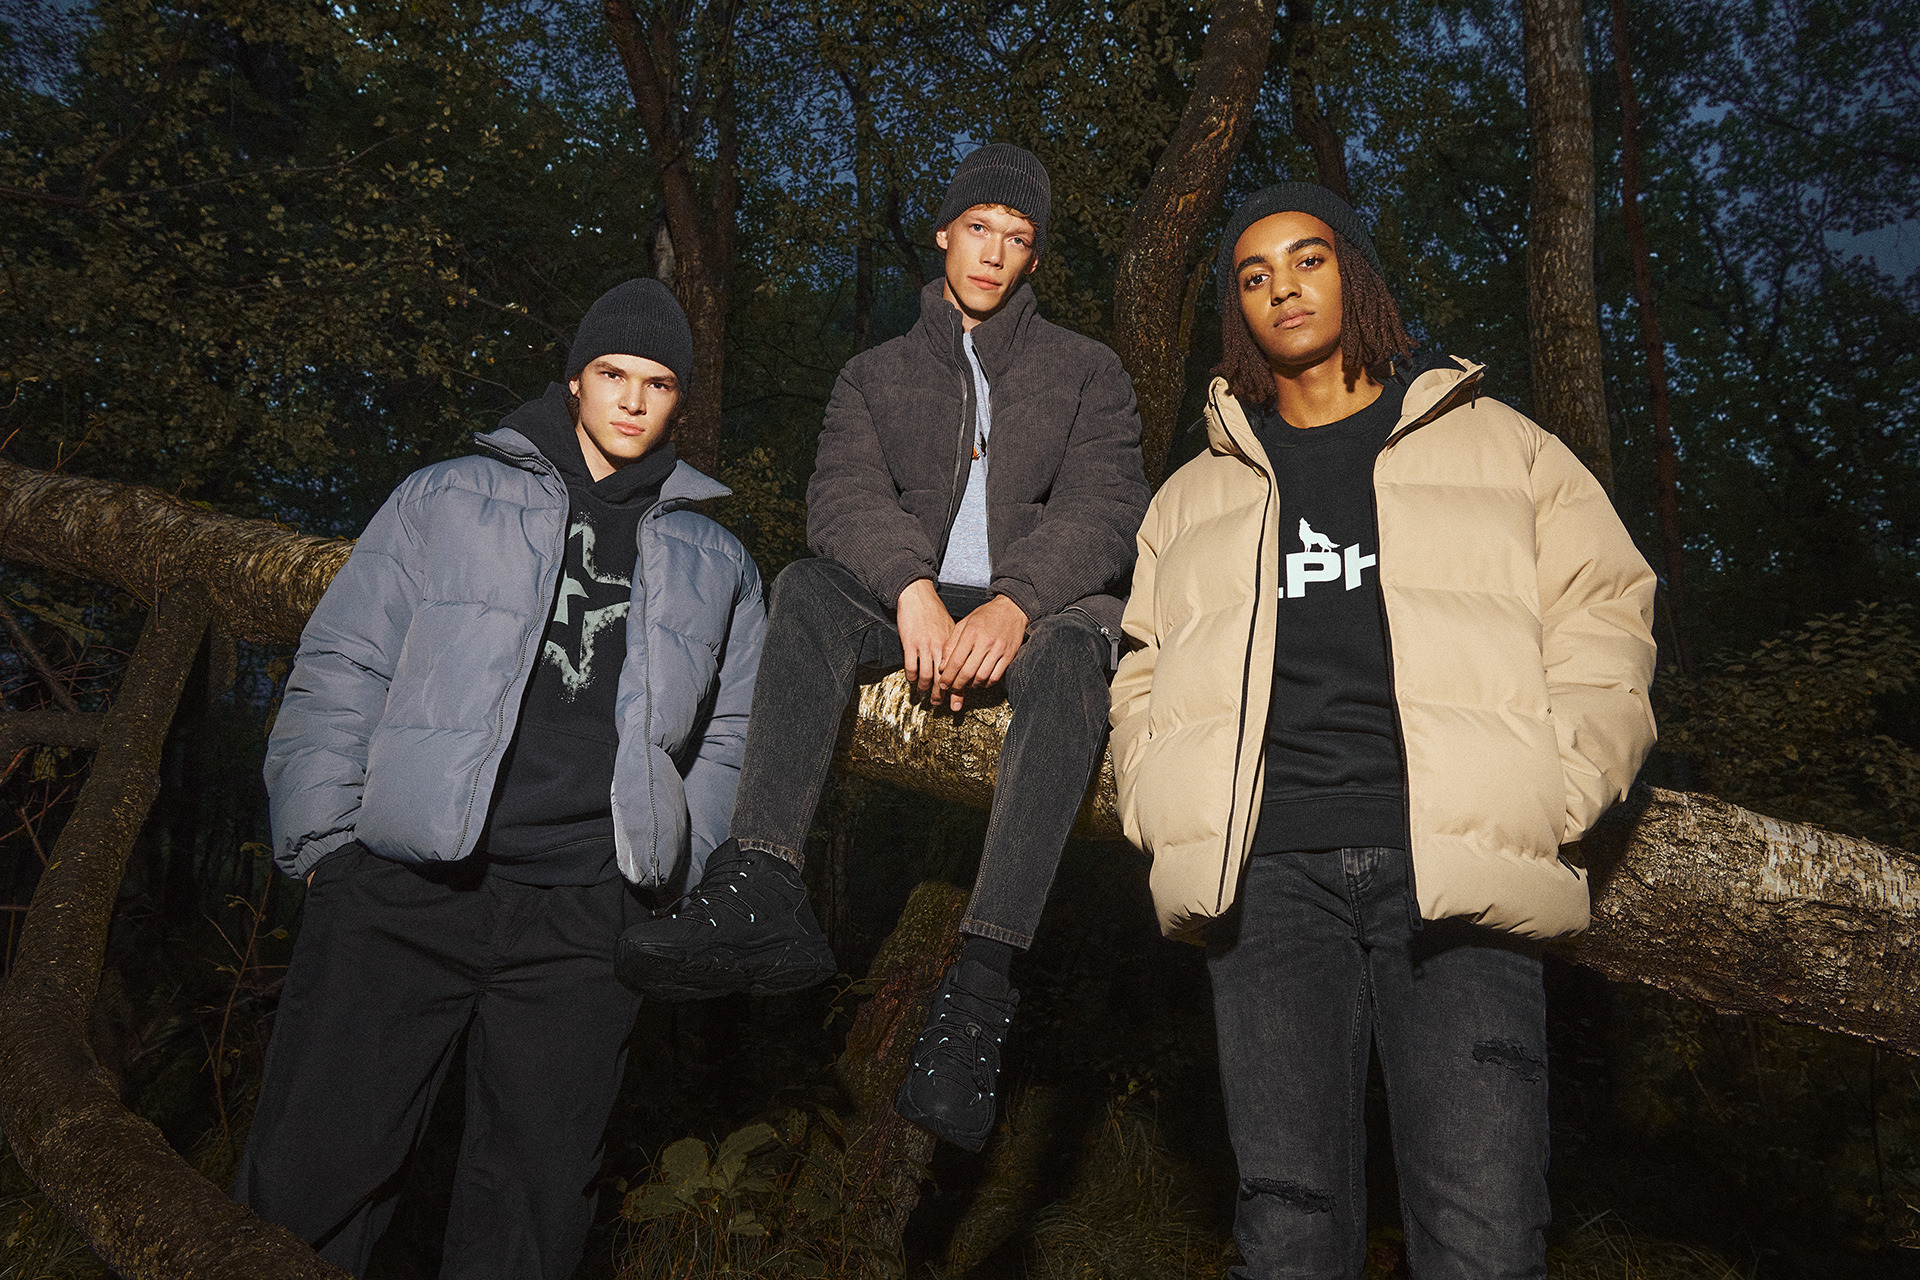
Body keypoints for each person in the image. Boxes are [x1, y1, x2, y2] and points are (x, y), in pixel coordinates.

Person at [1107, 183, 1658, 1279]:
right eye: (1253, 276)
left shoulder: (1502, 445)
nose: (1282, 288)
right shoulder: (1193, 495)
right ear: (1237, 311)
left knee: (1483, 1231)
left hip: (1456, 869)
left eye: (1307, 259)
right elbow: (1142, 666)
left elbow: (1607, 606)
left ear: (1354, 273)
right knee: (1287, 1233)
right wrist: (1158, 800)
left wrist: (1553, 788)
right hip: (1266, 882)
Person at [614, 143, 1150, 1153]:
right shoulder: (874, 375)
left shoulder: (1088, 371)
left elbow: (1108, 509)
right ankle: (763, 878)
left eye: (1018, 238)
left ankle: (980, 989)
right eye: (979, 228)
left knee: (1079, 652)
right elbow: (841, 498)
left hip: (1043, 608)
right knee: (806, 588)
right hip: (908, 594)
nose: (993, 253)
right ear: (944, 232)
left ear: (1034, 258)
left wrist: (1017, 604)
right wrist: (911, 591)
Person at [234, 278, 766, 1279]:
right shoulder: (445, 497)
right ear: (574, 378)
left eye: (658, 383)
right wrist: (325, 847)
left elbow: (731, 734)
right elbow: (346, 659)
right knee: (311, 1179)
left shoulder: (719, 559)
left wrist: (668, 878)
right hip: (405, 888)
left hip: (584, 920)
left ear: (679, 401)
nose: (632, 399)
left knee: (531, 1211)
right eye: (612, 373)